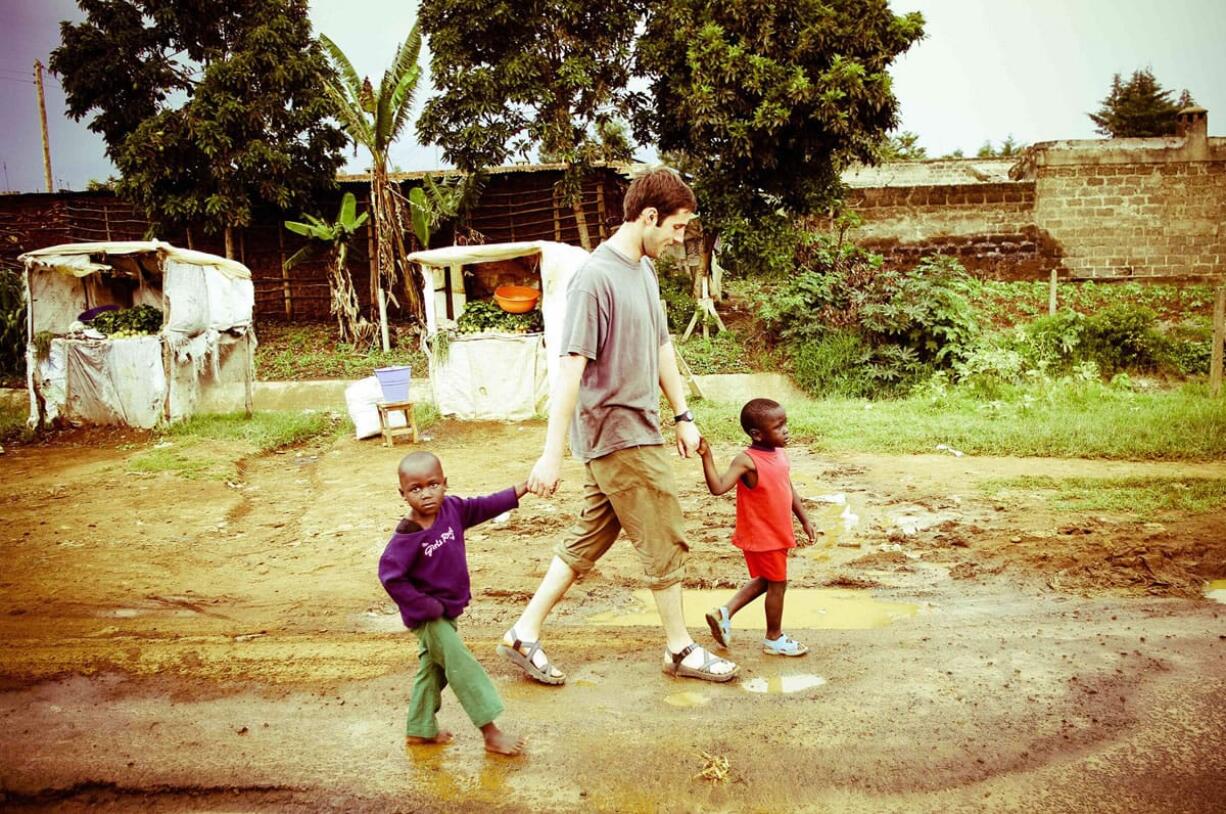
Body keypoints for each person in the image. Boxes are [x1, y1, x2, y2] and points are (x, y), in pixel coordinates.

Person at [497, 166, 738, 685]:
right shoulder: (595, 278)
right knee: (664, 532)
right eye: (676, 228)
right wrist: (550, 452)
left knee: (591, 536)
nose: (679, 239)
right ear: (649, 217)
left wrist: (683, 415)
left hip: (642, 424)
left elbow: (660, 346)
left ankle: (524, 631)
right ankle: (678, 648)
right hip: (617, 431)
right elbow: (570, 368)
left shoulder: (644, 272)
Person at [378, 451, 527, 756]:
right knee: (461, 665)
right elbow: (390, 576)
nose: (426, 494)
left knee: (433, 670)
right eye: (415, 489)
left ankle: (420, 729)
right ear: (403, 493)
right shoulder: (407, 535)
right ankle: (490, 731)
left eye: (433, 484)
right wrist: (424, 607)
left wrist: (519, 489)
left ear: (445, 483)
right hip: (429, 617)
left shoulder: (452, 510)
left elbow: (484, 506)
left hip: (448, 610)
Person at [696, 398, 815, 657]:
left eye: (785, 423)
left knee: (767, 580)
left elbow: (787, 486)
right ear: (757, 434)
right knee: (778, 583)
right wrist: (707, 456)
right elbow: (717, 487)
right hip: (763, 535)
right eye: (778, 426)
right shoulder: (746, 461)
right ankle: (774, 638)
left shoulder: (780, 453)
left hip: (778, 531)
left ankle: (723, 613)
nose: (785, 430)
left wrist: (804, 519)